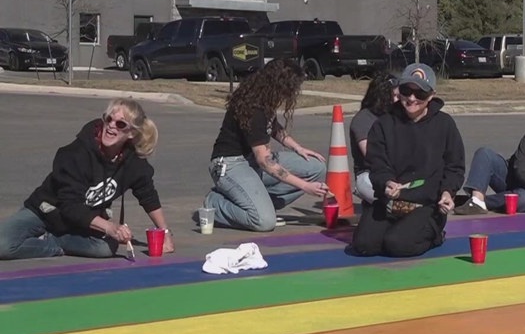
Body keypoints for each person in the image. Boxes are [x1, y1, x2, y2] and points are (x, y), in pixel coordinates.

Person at [0, 98, 175, 260]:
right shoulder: (75, 154)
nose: (111, 126)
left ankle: (55, 241)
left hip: (83, 222)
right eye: (108, 119)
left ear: (131, 133)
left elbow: (148, 195)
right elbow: (70, 206)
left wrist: (165, 233)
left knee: (105, 249)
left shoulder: (133, 162)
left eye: (120, 124)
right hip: (45, 212)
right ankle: (52, 242)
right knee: (3, 245)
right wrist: (110, 227)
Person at [351, 63, 465, 257]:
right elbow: (376, 163)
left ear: (431, 95)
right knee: (363, 245)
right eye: (406, 91)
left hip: (426, 205)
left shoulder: (445, 124)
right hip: (388, 202)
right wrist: (386, 181)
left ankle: (435, 235)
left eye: (420, 93)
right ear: (399, 91)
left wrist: (448, 192)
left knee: (398, 245)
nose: (412, 98)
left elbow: (455, 166)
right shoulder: (384, 124)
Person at [203, 58, 329, 232]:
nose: (293, 93)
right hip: (229, 164)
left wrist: (297, 148)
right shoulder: (254, 108)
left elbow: (272, 127)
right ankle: (216, 203)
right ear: (282, 86)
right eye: (292, 88)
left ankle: (258, 201)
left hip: (251, 161)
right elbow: (265, 162)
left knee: (317, 167)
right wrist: (305, 187)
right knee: (263, 221)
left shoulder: (264, 97)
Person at [349, 73, 398, 204]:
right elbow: (371, 156)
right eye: (395, 96)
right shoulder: (363, 119)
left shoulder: (399, 117)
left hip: (399, 172)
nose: (400, 100)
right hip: (369, 174)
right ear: (382, 97)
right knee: (396, 204)